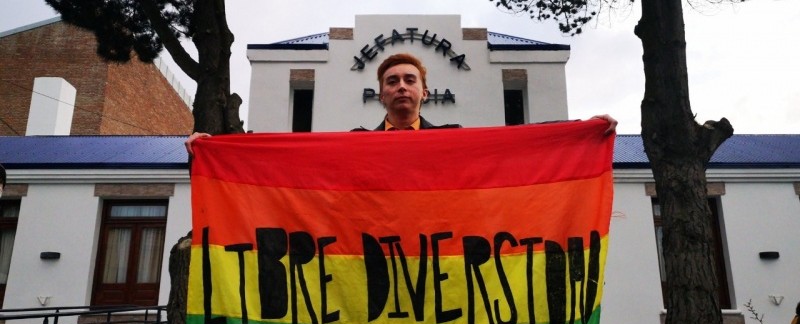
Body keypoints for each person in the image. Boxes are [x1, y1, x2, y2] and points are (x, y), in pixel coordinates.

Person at [185, 52, 617, 152]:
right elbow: (285, 153)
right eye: (392, 81)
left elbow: (511, 144)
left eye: (410, 80)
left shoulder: (451, 139)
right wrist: (217, 147)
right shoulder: (357, 143)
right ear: (381, 93)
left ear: (424, 92)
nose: (401, 86)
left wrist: (583, 131)